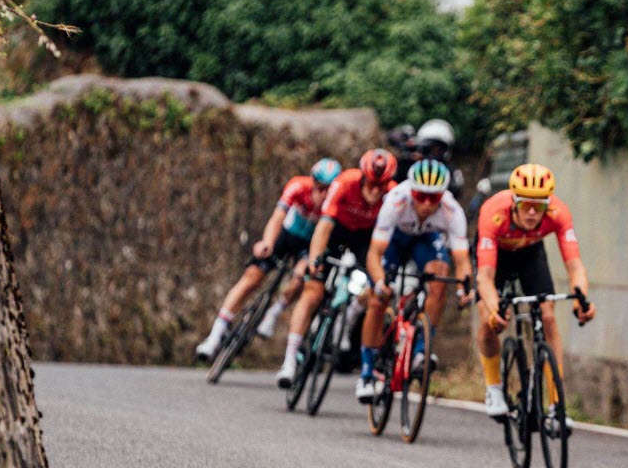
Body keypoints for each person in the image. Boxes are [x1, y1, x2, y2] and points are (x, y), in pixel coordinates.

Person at [473, 163, 596, 418]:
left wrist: (581, 300)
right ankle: (494, 388)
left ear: (547, 204)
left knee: (548, 315)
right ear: (514, 202)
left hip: (530, 253)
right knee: (489, 320)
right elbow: (484, 277)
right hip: (497, 256)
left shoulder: (558, 213)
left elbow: (576, 267)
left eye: (538, 206)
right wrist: (495, 309)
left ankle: (555, 404)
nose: (531, 212)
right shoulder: (492, 213)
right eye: (525, 205)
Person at [194, 158, 342, 362]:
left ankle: (275, 311)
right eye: (320, 187)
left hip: (309, 246)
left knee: (300, 277)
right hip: (286, 236)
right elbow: (277, 217)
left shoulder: (336, 202)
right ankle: (215, 335)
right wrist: (267, 243)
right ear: (312, 181)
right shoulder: (298, 186)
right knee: (252, 277)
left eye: (328, 189)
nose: (323, 193)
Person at [276, 149, 398, 388]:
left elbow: (386, 243)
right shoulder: (344, 183)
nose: (375, 191)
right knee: (312, 291)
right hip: (336, 230)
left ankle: (349, 315)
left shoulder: (393, 194)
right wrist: (313, 261)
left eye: (381, 185)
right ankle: (289, 360)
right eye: (371, 184)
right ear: (363, 177)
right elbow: (323, 227)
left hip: (366, 238)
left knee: (376, 286)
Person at [356, 159, 475, 401]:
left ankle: (421, 349)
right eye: (421, 195)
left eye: (435, 197)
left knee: (440, 278)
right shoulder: (395, 201)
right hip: (396, 241)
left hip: (426, 240)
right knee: (378, 301)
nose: (427, 203)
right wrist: (379, 283)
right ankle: (367, 373)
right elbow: (374, 254)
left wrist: (465, 289)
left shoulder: (452, 211)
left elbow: (462, 260)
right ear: (411, 191)